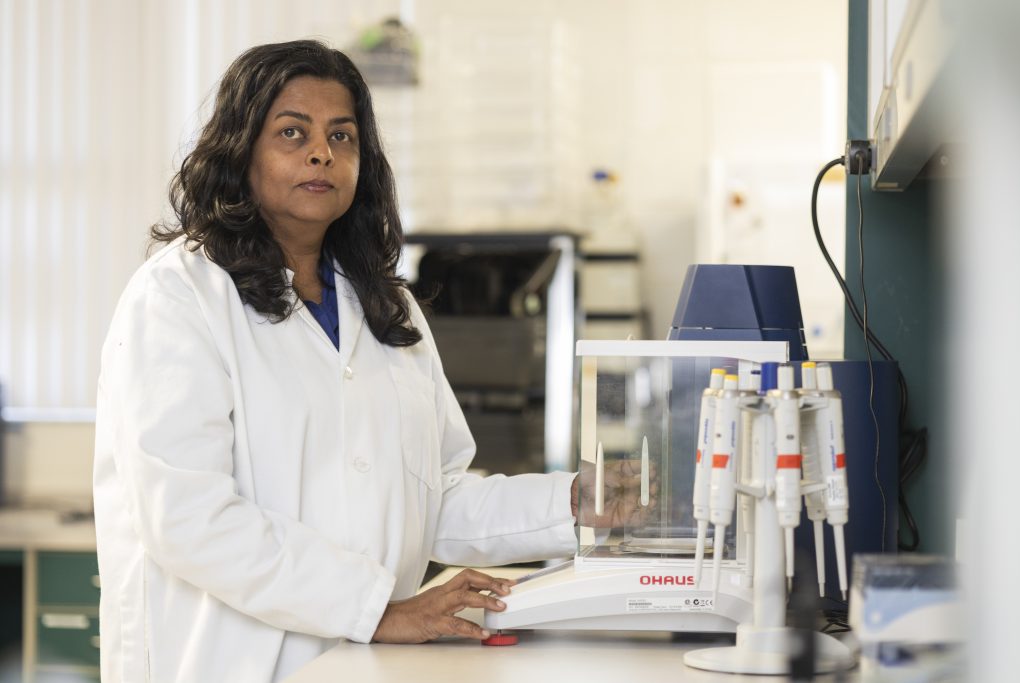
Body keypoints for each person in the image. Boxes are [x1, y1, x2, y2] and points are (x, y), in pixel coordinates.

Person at [92, 39, 646, 683]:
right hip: (226, 663)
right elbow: (187, 518)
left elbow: (431, 500)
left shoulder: (385, 306)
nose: (322, 153)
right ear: (240, 152)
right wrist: (376, 610)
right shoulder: (179, 296)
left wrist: (575, 501)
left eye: (342, 136)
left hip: (365, 665)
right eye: (292, 132)